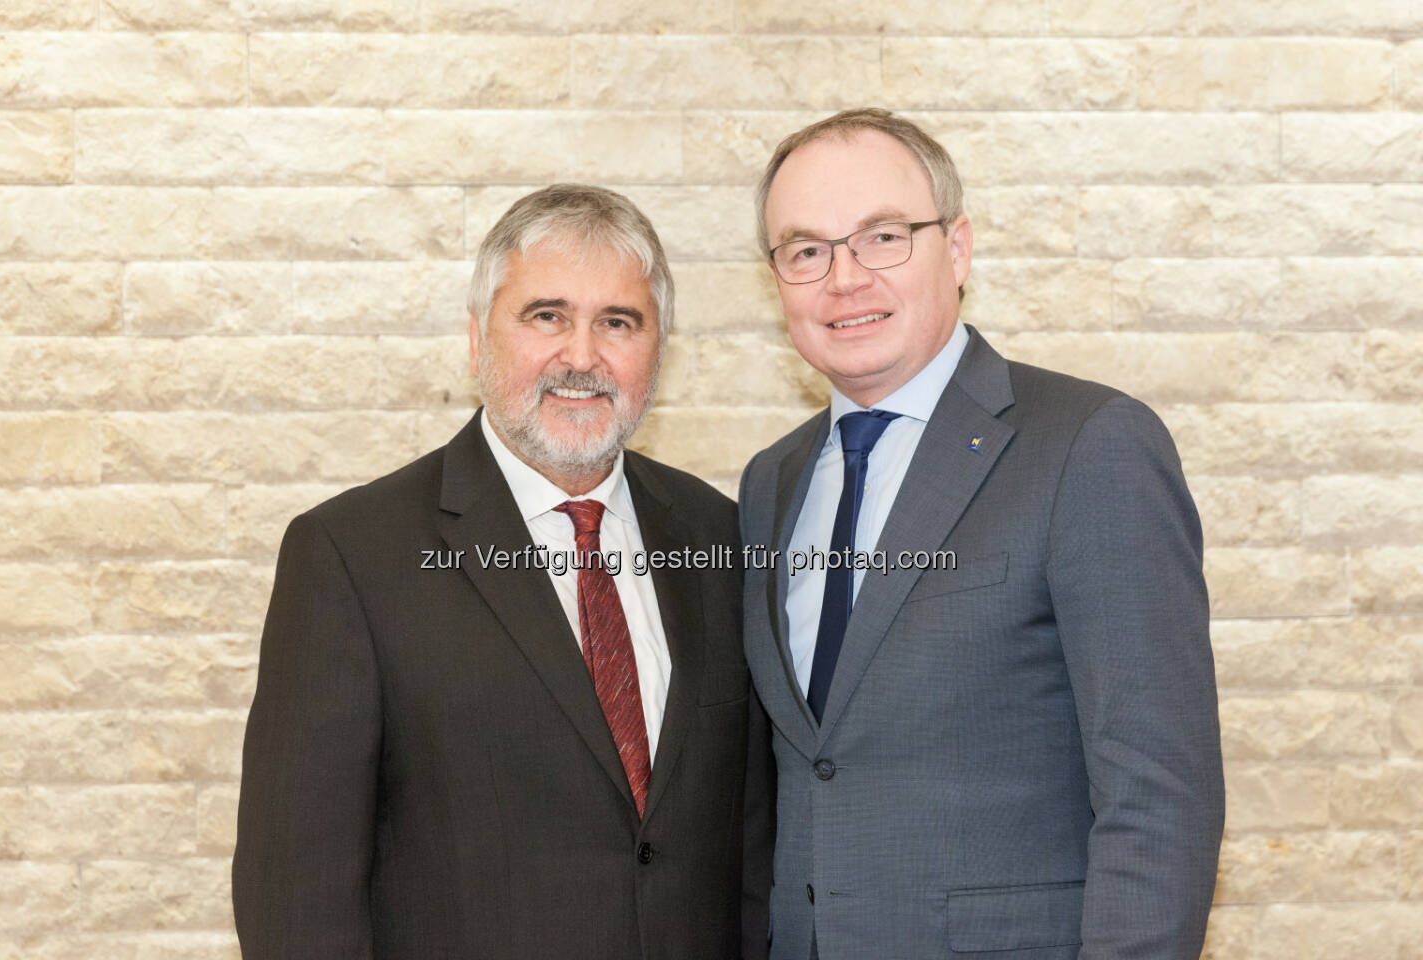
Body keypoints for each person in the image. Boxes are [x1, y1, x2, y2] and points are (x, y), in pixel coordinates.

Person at [234, 183, 772, 959]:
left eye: (618, 322)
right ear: (478, 338)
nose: (582, 357)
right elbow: (297, 897)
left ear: (659, 348)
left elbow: (751, 848)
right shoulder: (351, 557)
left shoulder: (720, 537)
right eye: (546, 316)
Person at [739, 108, 1224, 960]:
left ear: (956, 249)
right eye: (806, 250)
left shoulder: (1089, 444)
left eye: (883, 236)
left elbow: (1159, 793)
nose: (844, 278)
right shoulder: (768, 483)